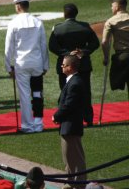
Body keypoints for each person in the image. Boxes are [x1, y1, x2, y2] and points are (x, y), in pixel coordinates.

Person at [49, 3, 99, 126]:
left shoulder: (58, 28)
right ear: (76, 13)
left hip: (65, 66)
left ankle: (65, 118)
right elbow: (95, 44)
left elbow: (52, 46)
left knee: (65, 93)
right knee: (86, 93)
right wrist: (83, 52)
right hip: (83, 65)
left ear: (64, 14)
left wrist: (67, 53)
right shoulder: (85, 27)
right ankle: (88, 119)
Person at [5, 0, 49, 133]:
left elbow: (9, 47)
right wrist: (45, 65)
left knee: (24, 95)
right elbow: (43, 45)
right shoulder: (38, 22)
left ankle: (27, 125)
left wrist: (8, 66)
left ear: (18, 6)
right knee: (37, 92)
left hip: (21, 63)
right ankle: (38, 123)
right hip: (36, 62)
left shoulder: (13, 23)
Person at [52, 55, 86, 188]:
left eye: (64, 65)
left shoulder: (75, 83)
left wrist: (56, 116)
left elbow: (69, 104)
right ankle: (70, 182)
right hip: (68, 126)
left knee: (75, 158)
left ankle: (78, 184)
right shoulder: (72, 81)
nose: (62, 66)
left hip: (71, 126)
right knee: (69, 158)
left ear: (70, 67)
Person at [102, 0, 129, 92]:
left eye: (112, 6)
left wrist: (106, 58)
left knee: (116, 82)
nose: (111, 8)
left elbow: (105, 42)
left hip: (121, 58)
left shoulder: (111, 21)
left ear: (117, 6)